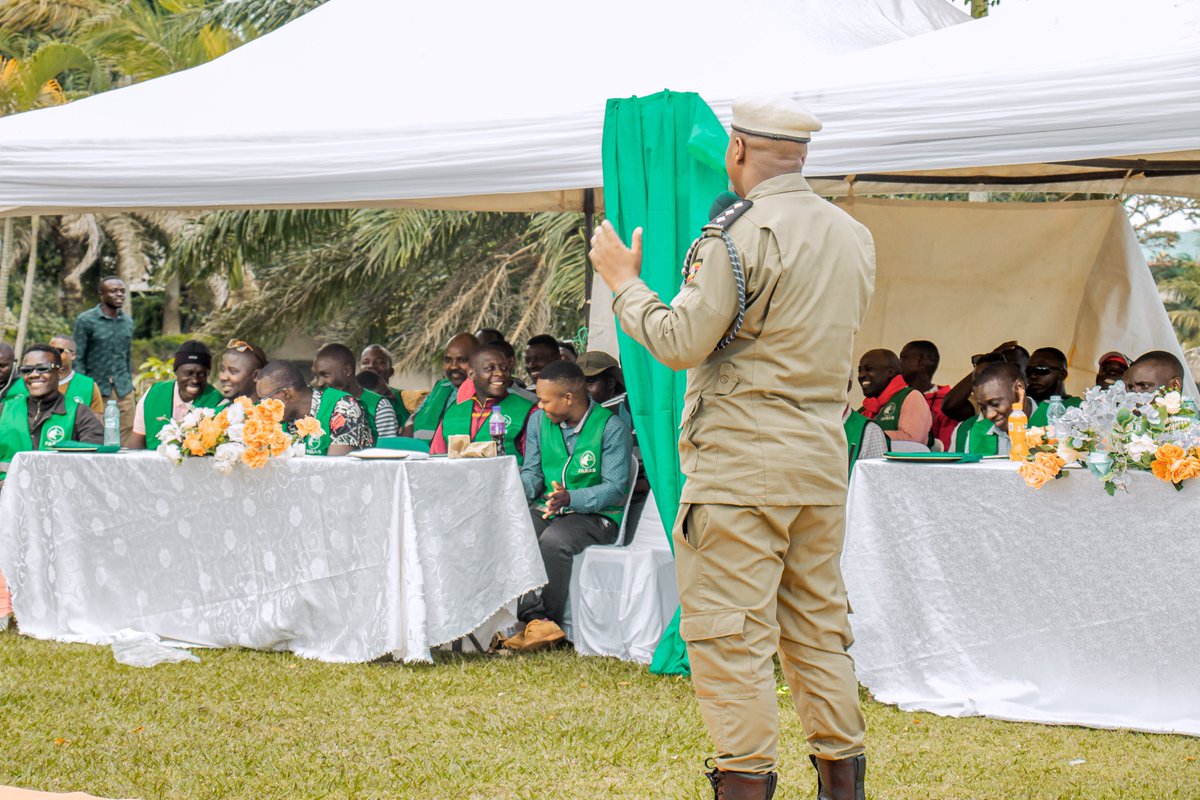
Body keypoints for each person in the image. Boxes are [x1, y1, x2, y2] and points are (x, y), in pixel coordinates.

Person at [590, 96, 873, 799]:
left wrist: (625, 284)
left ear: (737, 150)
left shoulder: (735, 236)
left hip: (743, 465)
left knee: (729, 639)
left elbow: (681, 342)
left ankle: (745, 783)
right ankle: (844, 785)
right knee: (818, 632)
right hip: (817, 460)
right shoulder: (851, 233)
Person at [516, 360, 632, 639]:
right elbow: (532, 472)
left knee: (554, 541)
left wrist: (571, 498)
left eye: (545, 401)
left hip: (599, 515)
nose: (540, 406)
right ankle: (531, 621)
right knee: (520, 528)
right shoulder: (537, 421)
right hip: (552, 507)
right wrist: (514, 494)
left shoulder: (611, 427)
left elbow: (615, 488)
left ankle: (546, 623)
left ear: (568, 398)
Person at [0, 344, 104, 481]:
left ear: (59, 373)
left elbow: (92, 464)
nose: (34, 374)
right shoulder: (4, 410)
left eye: (43, 369)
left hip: (57, 497)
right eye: (27, 370)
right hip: (7, 496)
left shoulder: (80, 414)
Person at [430, 345, 536, 463]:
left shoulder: (527, 410)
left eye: (505, 368)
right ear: (471, 374)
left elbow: (532, 467)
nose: (500, 373)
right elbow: (436, 460)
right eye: (490, 368)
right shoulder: (454, 411)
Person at [255, 360, 367, 455]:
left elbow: (336, 470)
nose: (261, 406)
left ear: (286, 394)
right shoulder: (279, 420)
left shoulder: (342, 407)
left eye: (264, 400)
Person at [73, 275, 136, 444]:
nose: (119, 295)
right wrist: (84, 388)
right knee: (98, 434)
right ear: (101, 294)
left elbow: (127, 355)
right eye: (113, 291)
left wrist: (130, 384)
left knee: (127, 433)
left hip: (124, 389)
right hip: (97, 389)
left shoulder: (127, 322)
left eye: (122, 291)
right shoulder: (86, 320)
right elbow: (77, 358)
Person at [128, 340, 224, 449]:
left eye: (201, 374)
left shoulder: (219, 404)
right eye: (188, 373)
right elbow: (135, 445)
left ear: (208, 374)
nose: (195, 380)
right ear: (176, 371)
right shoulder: (153, 394)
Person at [949, 361, 1036, 455]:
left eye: (995, 404)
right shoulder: (973, 432)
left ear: (1018, 388)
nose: (989, 415)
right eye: (983, 408)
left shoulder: (1051, 425)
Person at [404, 333, 479, 442]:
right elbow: (415, 418)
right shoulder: (441, 387)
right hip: (421, 454)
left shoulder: (484, 392)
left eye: (462, 360)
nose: (453, 366)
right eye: (448, 360)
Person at [313, 343, 390, 442]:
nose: (319, 383)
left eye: (325, 375)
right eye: (317, 376)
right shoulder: (318, 404)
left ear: (347, 370)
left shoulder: (380, 406)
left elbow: (387, 453)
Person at [858, 349, 932, 445]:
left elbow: (911, 439)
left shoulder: (911, 397)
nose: (861, 375)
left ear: (890, 373)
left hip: (905, 460)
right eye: (860, 370)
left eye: (869, 369)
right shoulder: (867, 407)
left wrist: (866, 436)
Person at [941, 341, 1029, 422]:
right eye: (999, 366)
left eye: (1011, 365)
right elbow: (950, 406)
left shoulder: (1039, 401)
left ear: (1028, 370)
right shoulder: (986, 400)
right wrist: (981, 368)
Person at [899, 340, 953, 450]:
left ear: (920, 361)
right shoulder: (896, 398)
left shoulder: (946, 403)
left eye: (903, 357)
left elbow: (945, 450)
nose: (899, 363)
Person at [46, 334, 105, 414]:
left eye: (59, 351)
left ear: (73, 355)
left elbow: (97, 422)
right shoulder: (32, 381)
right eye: (50, 350)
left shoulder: (88, 386)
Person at [1026, 347, 1082, 427]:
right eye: (1029, 371)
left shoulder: (1079, 408)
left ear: (1062, 374)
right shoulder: (1021, 408)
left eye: (1041, 369)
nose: (1033, 376)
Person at [359, 344, 409, 428]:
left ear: (391, 371)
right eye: (365, 362)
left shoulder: (406, 399)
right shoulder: (349, 399)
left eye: (380, 362)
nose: (371, 365)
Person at [218, 339, 268, 406]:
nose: (222, 377)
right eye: (222, 369)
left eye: (233, 371)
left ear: (256, 375)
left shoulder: (268, 413)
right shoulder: (217, 412)